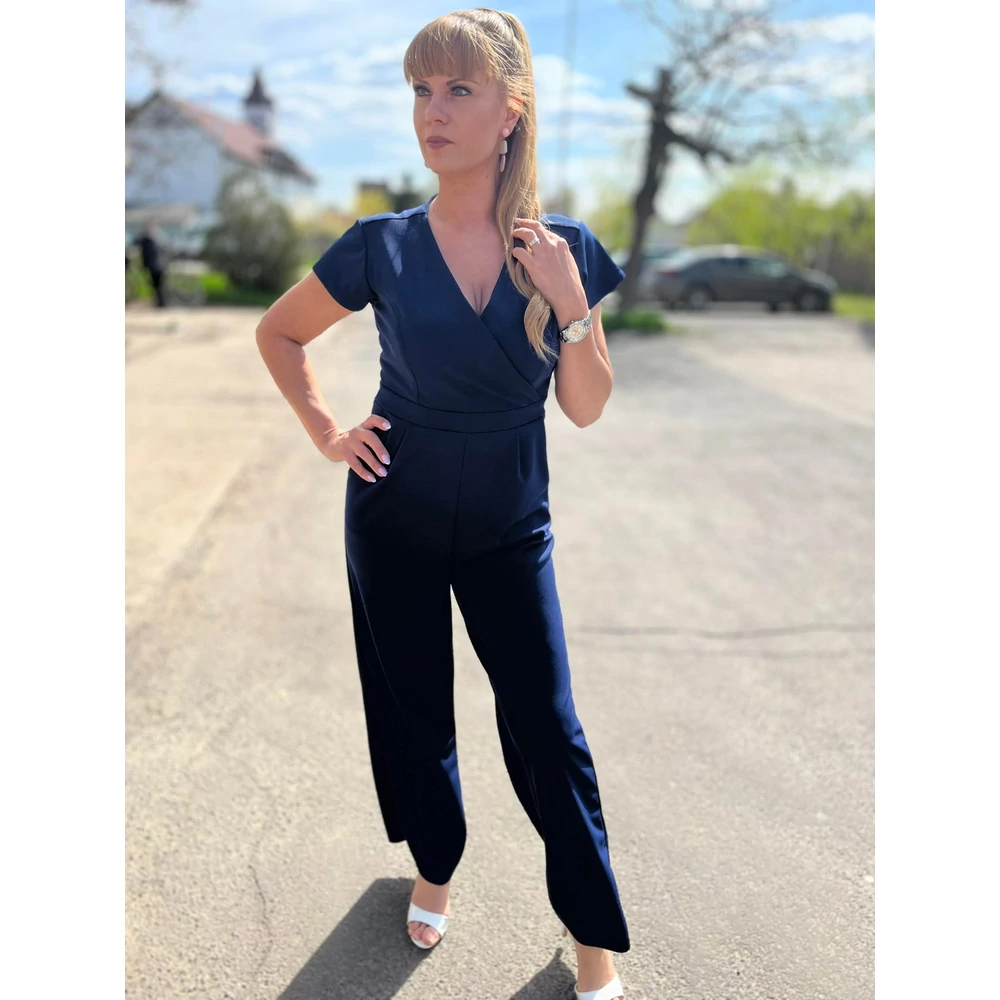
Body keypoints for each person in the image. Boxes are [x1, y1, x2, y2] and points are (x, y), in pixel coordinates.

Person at [255, 10, 629, 1000]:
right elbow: (279, 333)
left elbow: (586, 406)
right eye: (422, 90)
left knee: (547, 727)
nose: (434, 110)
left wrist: (570, 301)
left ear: (511, 111)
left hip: (510, 522)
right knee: (414, 713)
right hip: (395, 514)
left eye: (459, 89)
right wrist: (327, 431)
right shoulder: (379, 244)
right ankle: (434, 867)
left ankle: (591, 933)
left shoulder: (564, 247)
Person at [134, 223, 168, 308]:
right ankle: (161, 303)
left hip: (154, 266)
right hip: (161, 265)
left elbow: (135, 243)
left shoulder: (146, 239)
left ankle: (160, 303)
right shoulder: (159, 239)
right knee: (159, 285)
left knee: (156, 285)